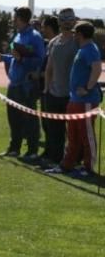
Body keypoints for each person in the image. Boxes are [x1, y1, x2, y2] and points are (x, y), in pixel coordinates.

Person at [45, 21, 102, 179]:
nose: (73, 35)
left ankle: (88, 167)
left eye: (75, 33)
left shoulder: (90, 49)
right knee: (73, 135)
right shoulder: (83, 49)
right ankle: (67, 165)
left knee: (86, 135)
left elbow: (97, 69)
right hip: (75, 100)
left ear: (81, 34)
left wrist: (88, 88)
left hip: (86, 101)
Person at [0, 6, 46, 160]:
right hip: (14, 84)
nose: (13, 20)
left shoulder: (35, 37)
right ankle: (14, 148)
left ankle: (32, 151)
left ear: (21, 18)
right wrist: (2, 57)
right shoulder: (17, 36)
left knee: (29, 119)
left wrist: (22, 59)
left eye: (15, 17)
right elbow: (14, 57)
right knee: (13, 118)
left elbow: (40, 60)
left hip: (26, 85)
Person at [40, 11, 77, 166]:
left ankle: (75, 161)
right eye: (64, 20)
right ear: (60, 22)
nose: (67, 23)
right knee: (54, 130)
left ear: (74, 21)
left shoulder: (78, 41)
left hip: (72, 95)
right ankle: (54, 159)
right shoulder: (54, 42)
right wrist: (47, 88)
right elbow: (50, 67)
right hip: (54, 93)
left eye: (70, 20)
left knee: (74, 132)